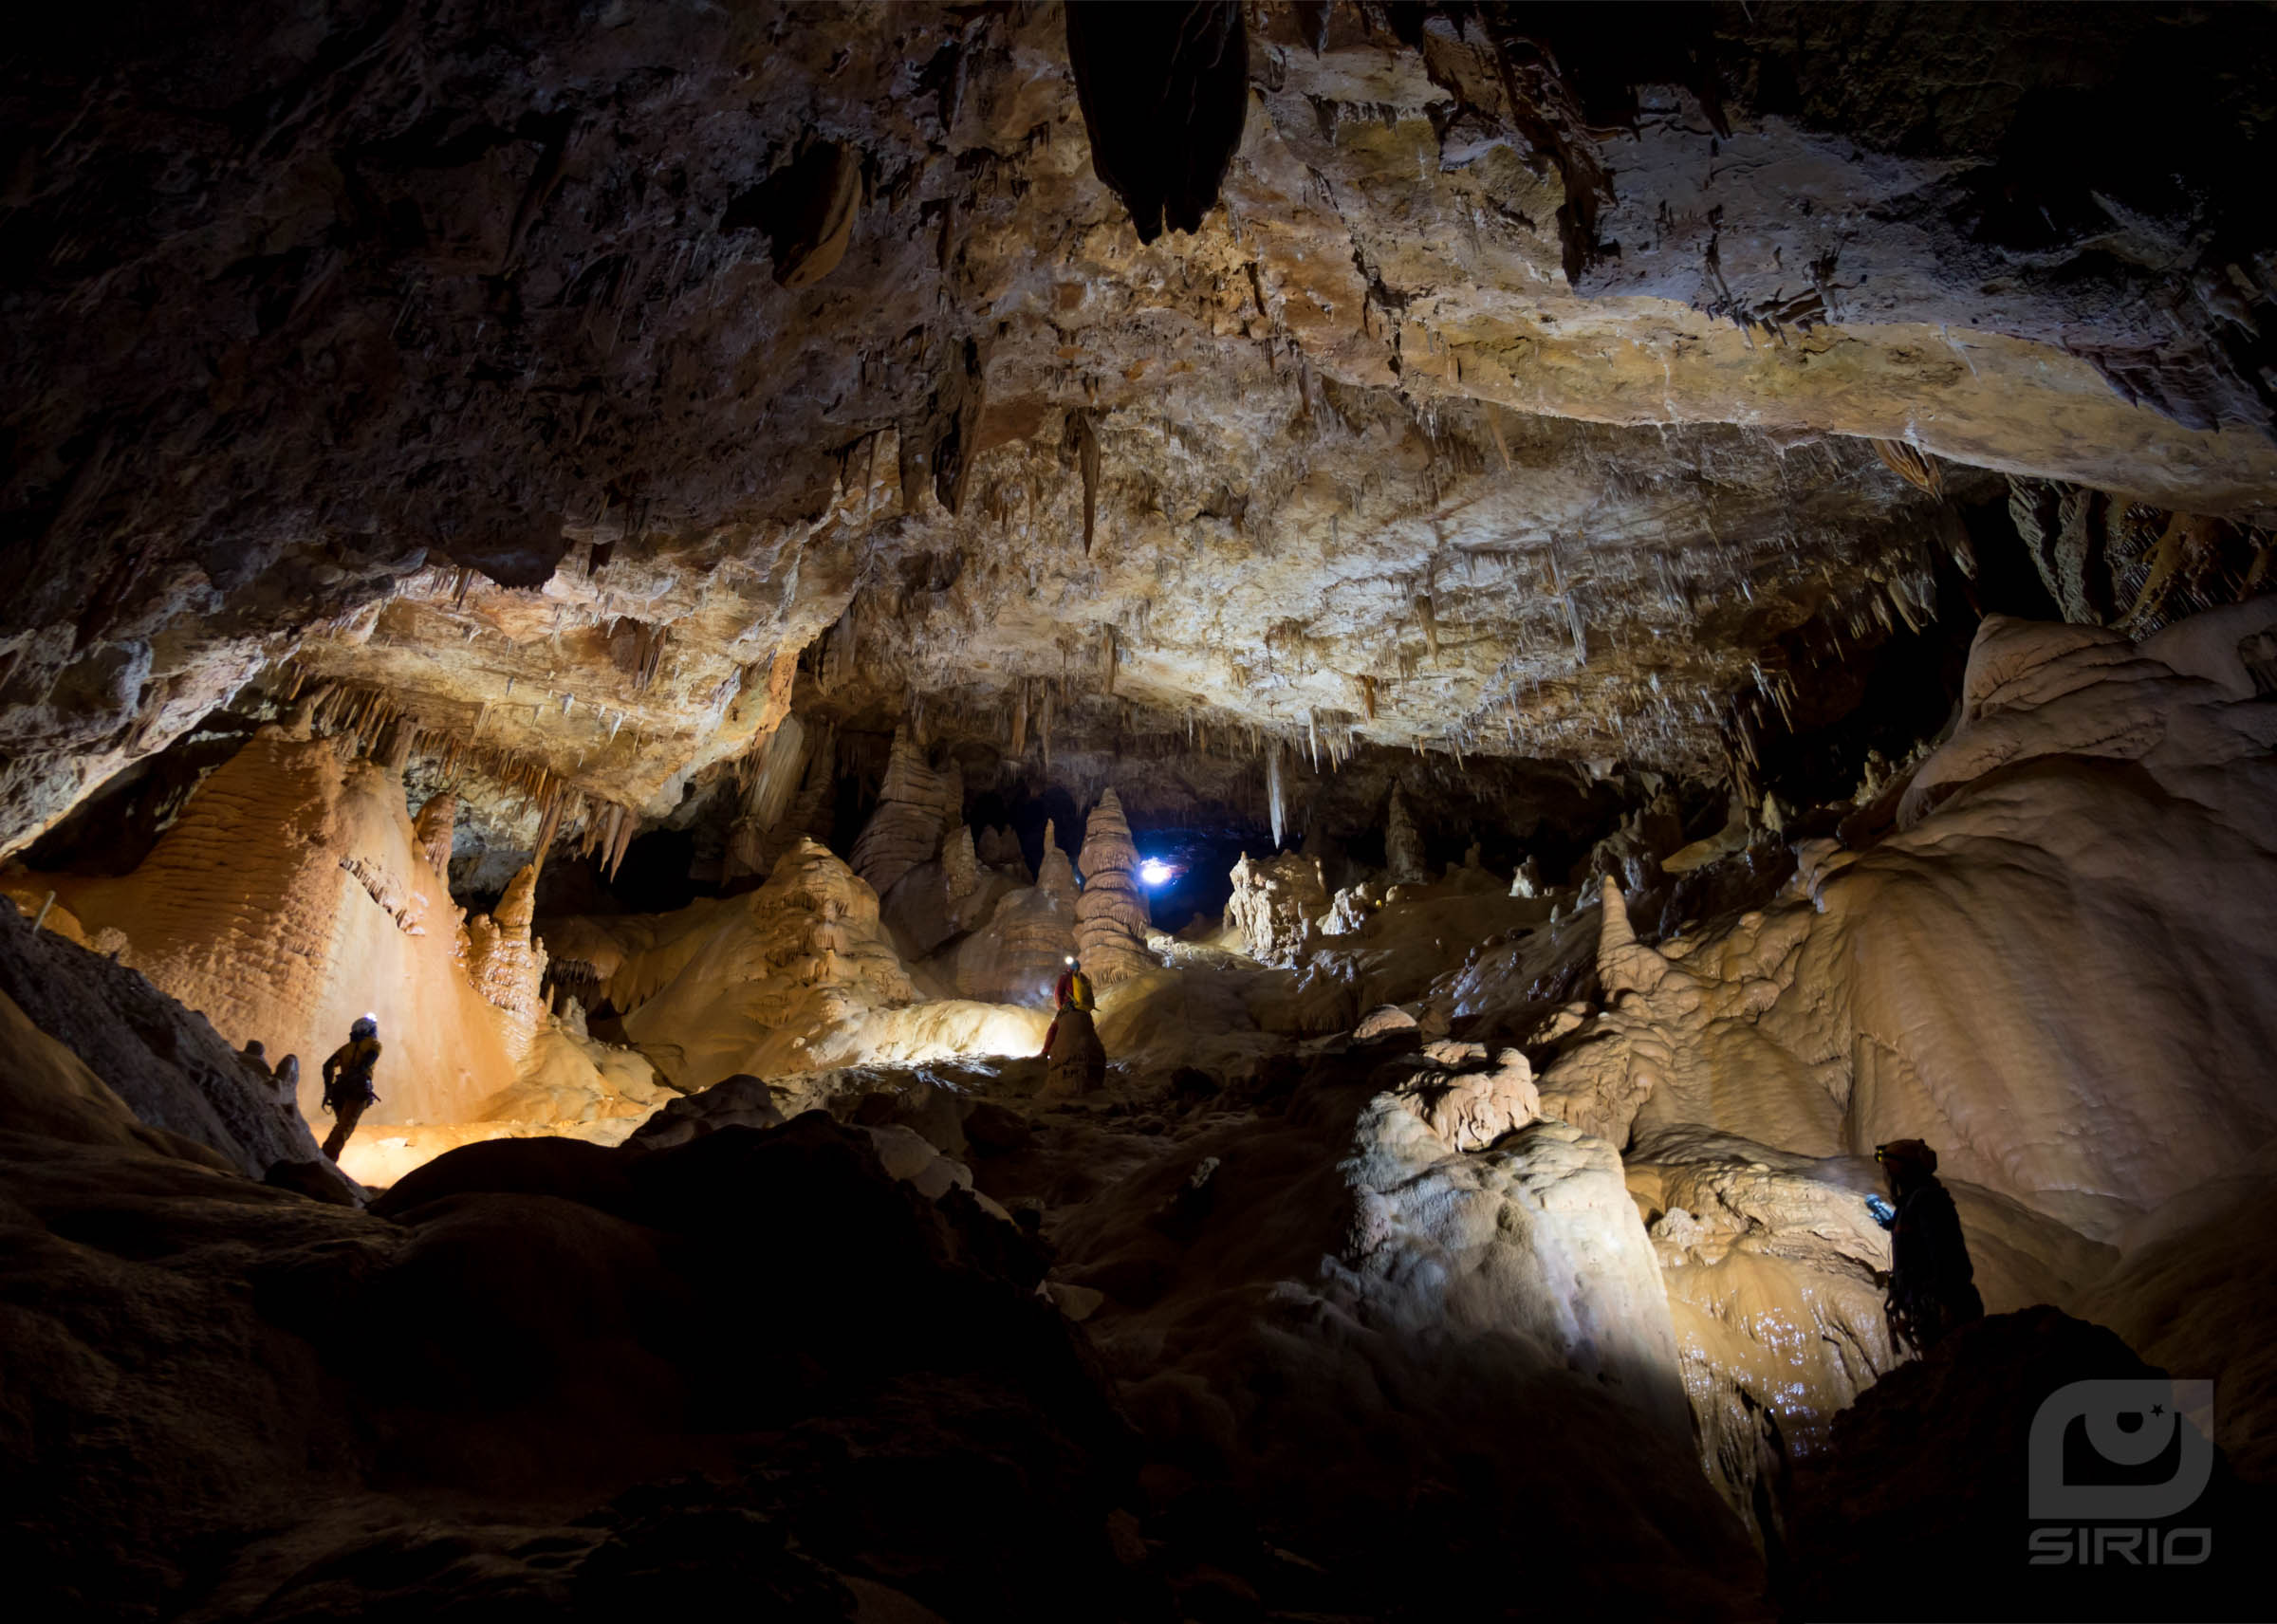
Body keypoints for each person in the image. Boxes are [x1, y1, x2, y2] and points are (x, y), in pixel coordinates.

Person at [1867, 1138, 1984, 1354]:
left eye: (1889, 1171)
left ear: (1901, 1172)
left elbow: (1945, 1254)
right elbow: (1919, 1236)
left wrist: (1944, 1303)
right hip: (1929, 1307)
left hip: (1943, 1310)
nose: (1887, 1178)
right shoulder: (1915, 1202)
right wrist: (1893, 1223)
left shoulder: (1928, 1200)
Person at [320, 1014, 382, 1161]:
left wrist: (328, 1089)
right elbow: (367, 1062)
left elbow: (327, 1066)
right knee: (344, 1127)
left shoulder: (346, 1048)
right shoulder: (374, 1044)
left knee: (341, 1125)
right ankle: (326, 1160)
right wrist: (356, 1076)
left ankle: (325, 1157)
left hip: (339, 1091)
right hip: (357, 1090)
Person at [1041, 956, 1095, 1057]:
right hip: (1083, 1009)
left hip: (1069, 1007)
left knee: (1054, 1027)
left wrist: (1061, 1008)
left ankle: (1045, 1051)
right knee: (1090, 1028)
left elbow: (1058, 993)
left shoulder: (1065, 976)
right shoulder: (1083, 977)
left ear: (1069, 967)